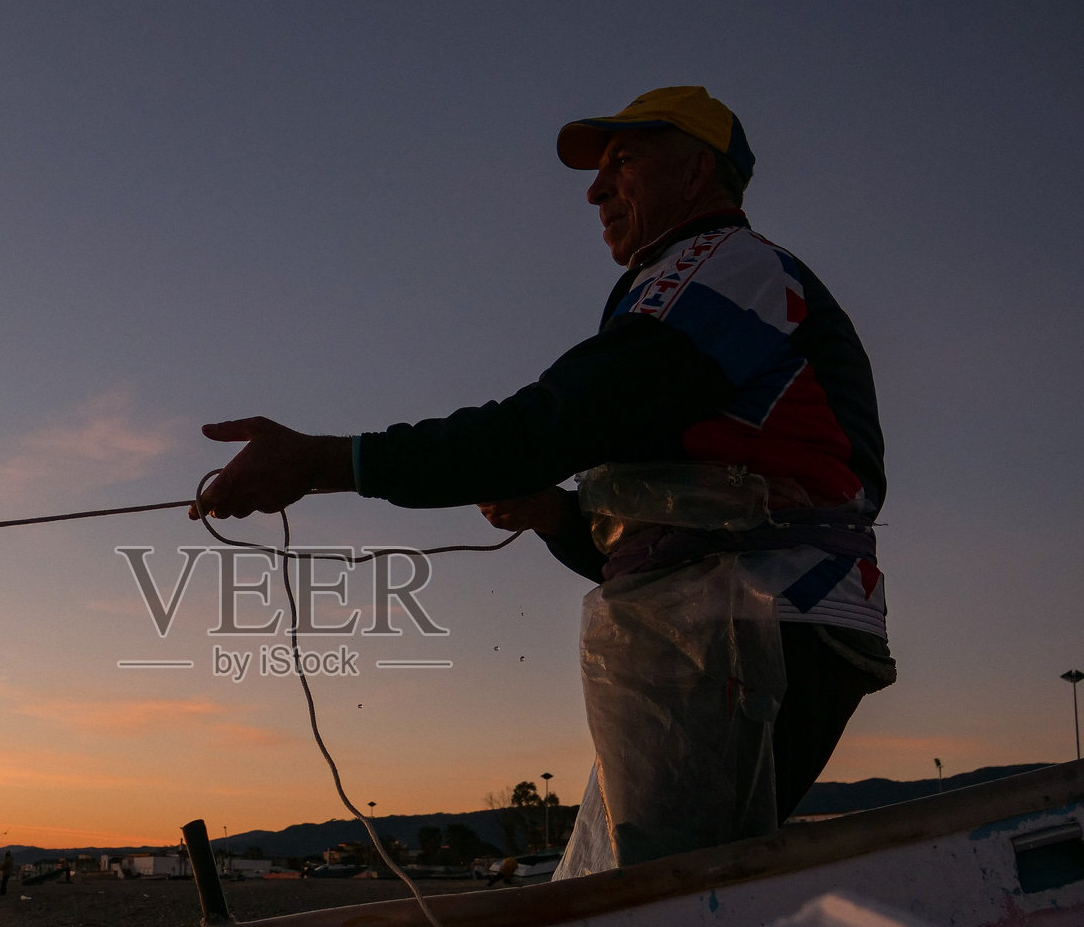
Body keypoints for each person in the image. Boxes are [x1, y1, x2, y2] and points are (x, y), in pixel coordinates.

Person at [194, 87, 894, 875]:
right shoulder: (686, 289)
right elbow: (644, 531)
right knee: (617, 884)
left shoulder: (730, 267)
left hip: (761, 623)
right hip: (718, 627)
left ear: (699, 171)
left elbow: (551, 422)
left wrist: (325, 461)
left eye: (623, 161)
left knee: (651, 900)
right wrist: (559, 518)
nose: (595, 190)